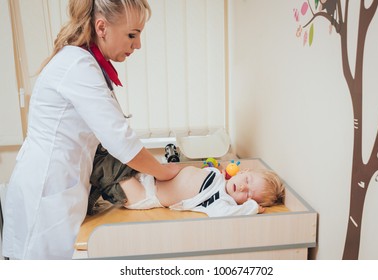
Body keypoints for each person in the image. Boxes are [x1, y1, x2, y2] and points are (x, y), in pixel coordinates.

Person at [2, 0, 181, 260]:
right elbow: (120, 141)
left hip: (59, 188)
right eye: (132, 34)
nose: (138, 44)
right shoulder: (78, 66)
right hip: (45, 194)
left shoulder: (85, 64)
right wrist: (164, 171)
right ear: (102, 27)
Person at [88, 152, 285, 217]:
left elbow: (223, 215)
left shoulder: (221, 201)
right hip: (146, 178)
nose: (243, 188)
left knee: (105, 168)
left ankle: (89, 191)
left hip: (143, 194)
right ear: (243, 172)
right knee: (114, 153)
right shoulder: (219, 177)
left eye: (249, 195)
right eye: (247, 182)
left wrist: (252, 208)